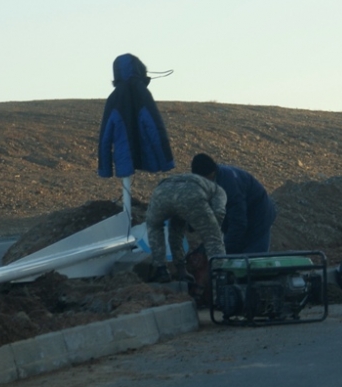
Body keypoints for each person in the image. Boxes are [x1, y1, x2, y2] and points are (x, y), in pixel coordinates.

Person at [97, 53, 175, 219]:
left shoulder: (114, 98)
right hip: (146, 152)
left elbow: (105, 137)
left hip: (123, 157)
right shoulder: (143, 94)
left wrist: (105, 168)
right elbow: (156, 128)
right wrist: (166, 160)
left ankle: (127, 220)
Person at [145, 170, 227, 283]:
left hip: (161, 191)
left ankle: (163, 270)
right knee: (213, 237)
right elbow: (219, 212)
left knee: (156, 227)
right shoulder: (218, 190)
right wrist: (205, 226)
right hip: (191, 194)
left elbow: (176, 223)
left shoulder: (195, 180)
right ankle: (219, 277)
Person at [191, 153, 277, 254]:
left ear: (212, 173)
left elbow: (238, 223)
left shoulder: (229, 186)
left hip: (259, 215)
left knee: (252, 257)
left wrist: (225, 250)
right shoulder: (202, 184)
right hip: (239, 213)